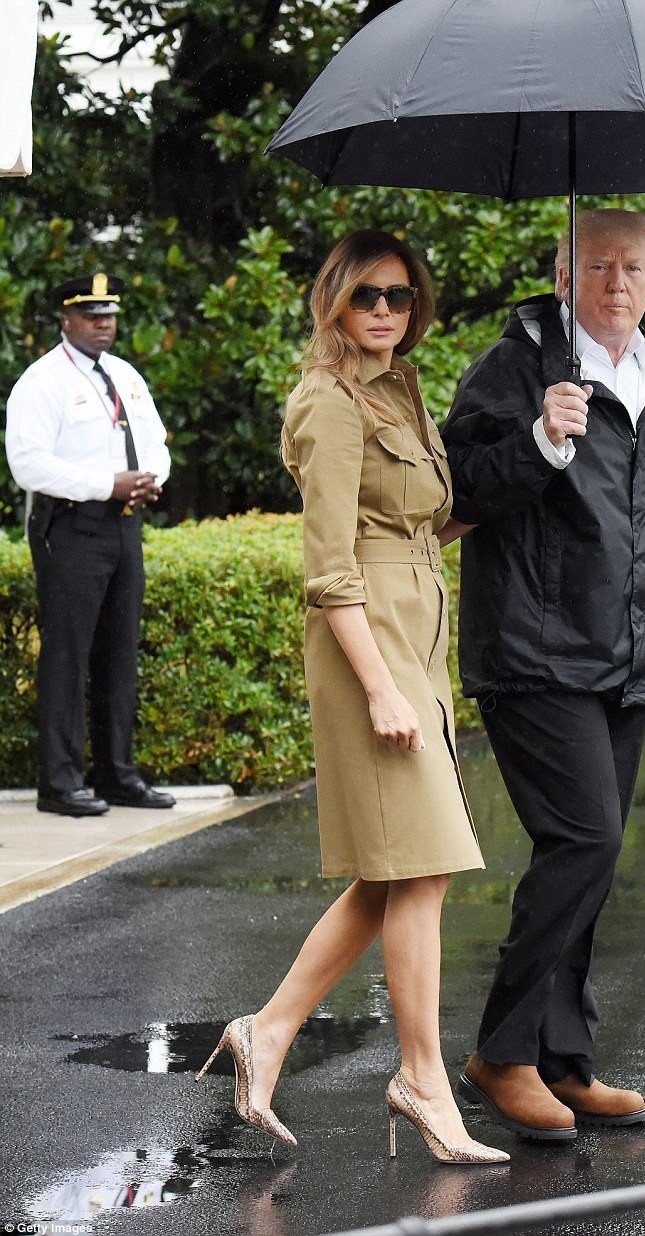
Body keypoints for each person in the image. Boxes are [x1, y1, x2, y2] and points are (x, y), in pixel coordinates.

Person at [441, 209, 645, 1141]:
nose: (618, 283)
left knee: (595, 856)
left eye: (634, 267)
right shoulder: (515, 369)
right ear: (563, 273)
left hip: (627, 658)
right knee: (585, 839)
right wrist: (540, 441)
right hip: (534, 653)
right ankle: (502, 1053)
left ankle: (564, 1059)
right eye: (598, 266)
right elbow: (455, 489)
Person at [196, 230, 508, 1166]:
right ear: (332, 299)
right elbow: (330, 568)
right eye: (366, 294)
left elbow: (422, 526)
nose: (383, 311)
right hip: (367, 643)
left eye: (400, 296)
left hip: (417, 630)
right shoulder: (327, 402)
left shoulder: (399, 388)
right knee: (425, 863)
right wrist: (379, 690)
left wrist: (543, 449)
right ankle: (421, 1079)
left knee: (398, 870)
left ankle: (267, 1032)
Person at [5, 273, 176, 818]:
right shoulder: (42, 381)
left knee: (118, 652)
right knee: (67, 655)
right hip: (72, 526)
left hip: (124, 524)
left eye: (110, 315)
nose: (103, 324)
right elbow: (28, 464)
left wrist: (151, 478)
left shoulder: (125, 375)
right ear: (66, 318)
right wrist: (108, 484)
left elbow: (154, 439)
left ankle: (117, 775)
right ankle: (60, 784)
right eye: (91, 315)